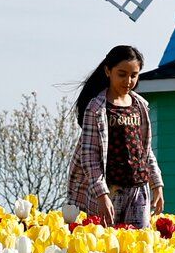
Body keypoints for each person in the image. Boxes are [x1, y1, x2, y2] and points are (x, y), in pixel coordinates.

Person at [69, 45, 166, 226]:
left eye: (134, 75)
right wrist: (102, 194)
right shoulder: (96, 108)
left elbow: (145, 151)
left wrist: (157, 184)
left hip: (138, 189)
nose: (128, 81)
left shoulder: (140, 106)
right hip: (110, 189)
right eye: (122, 74)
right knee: (107, 241)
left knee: (139, 242)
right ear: (108, 71)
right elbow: (89, 156)